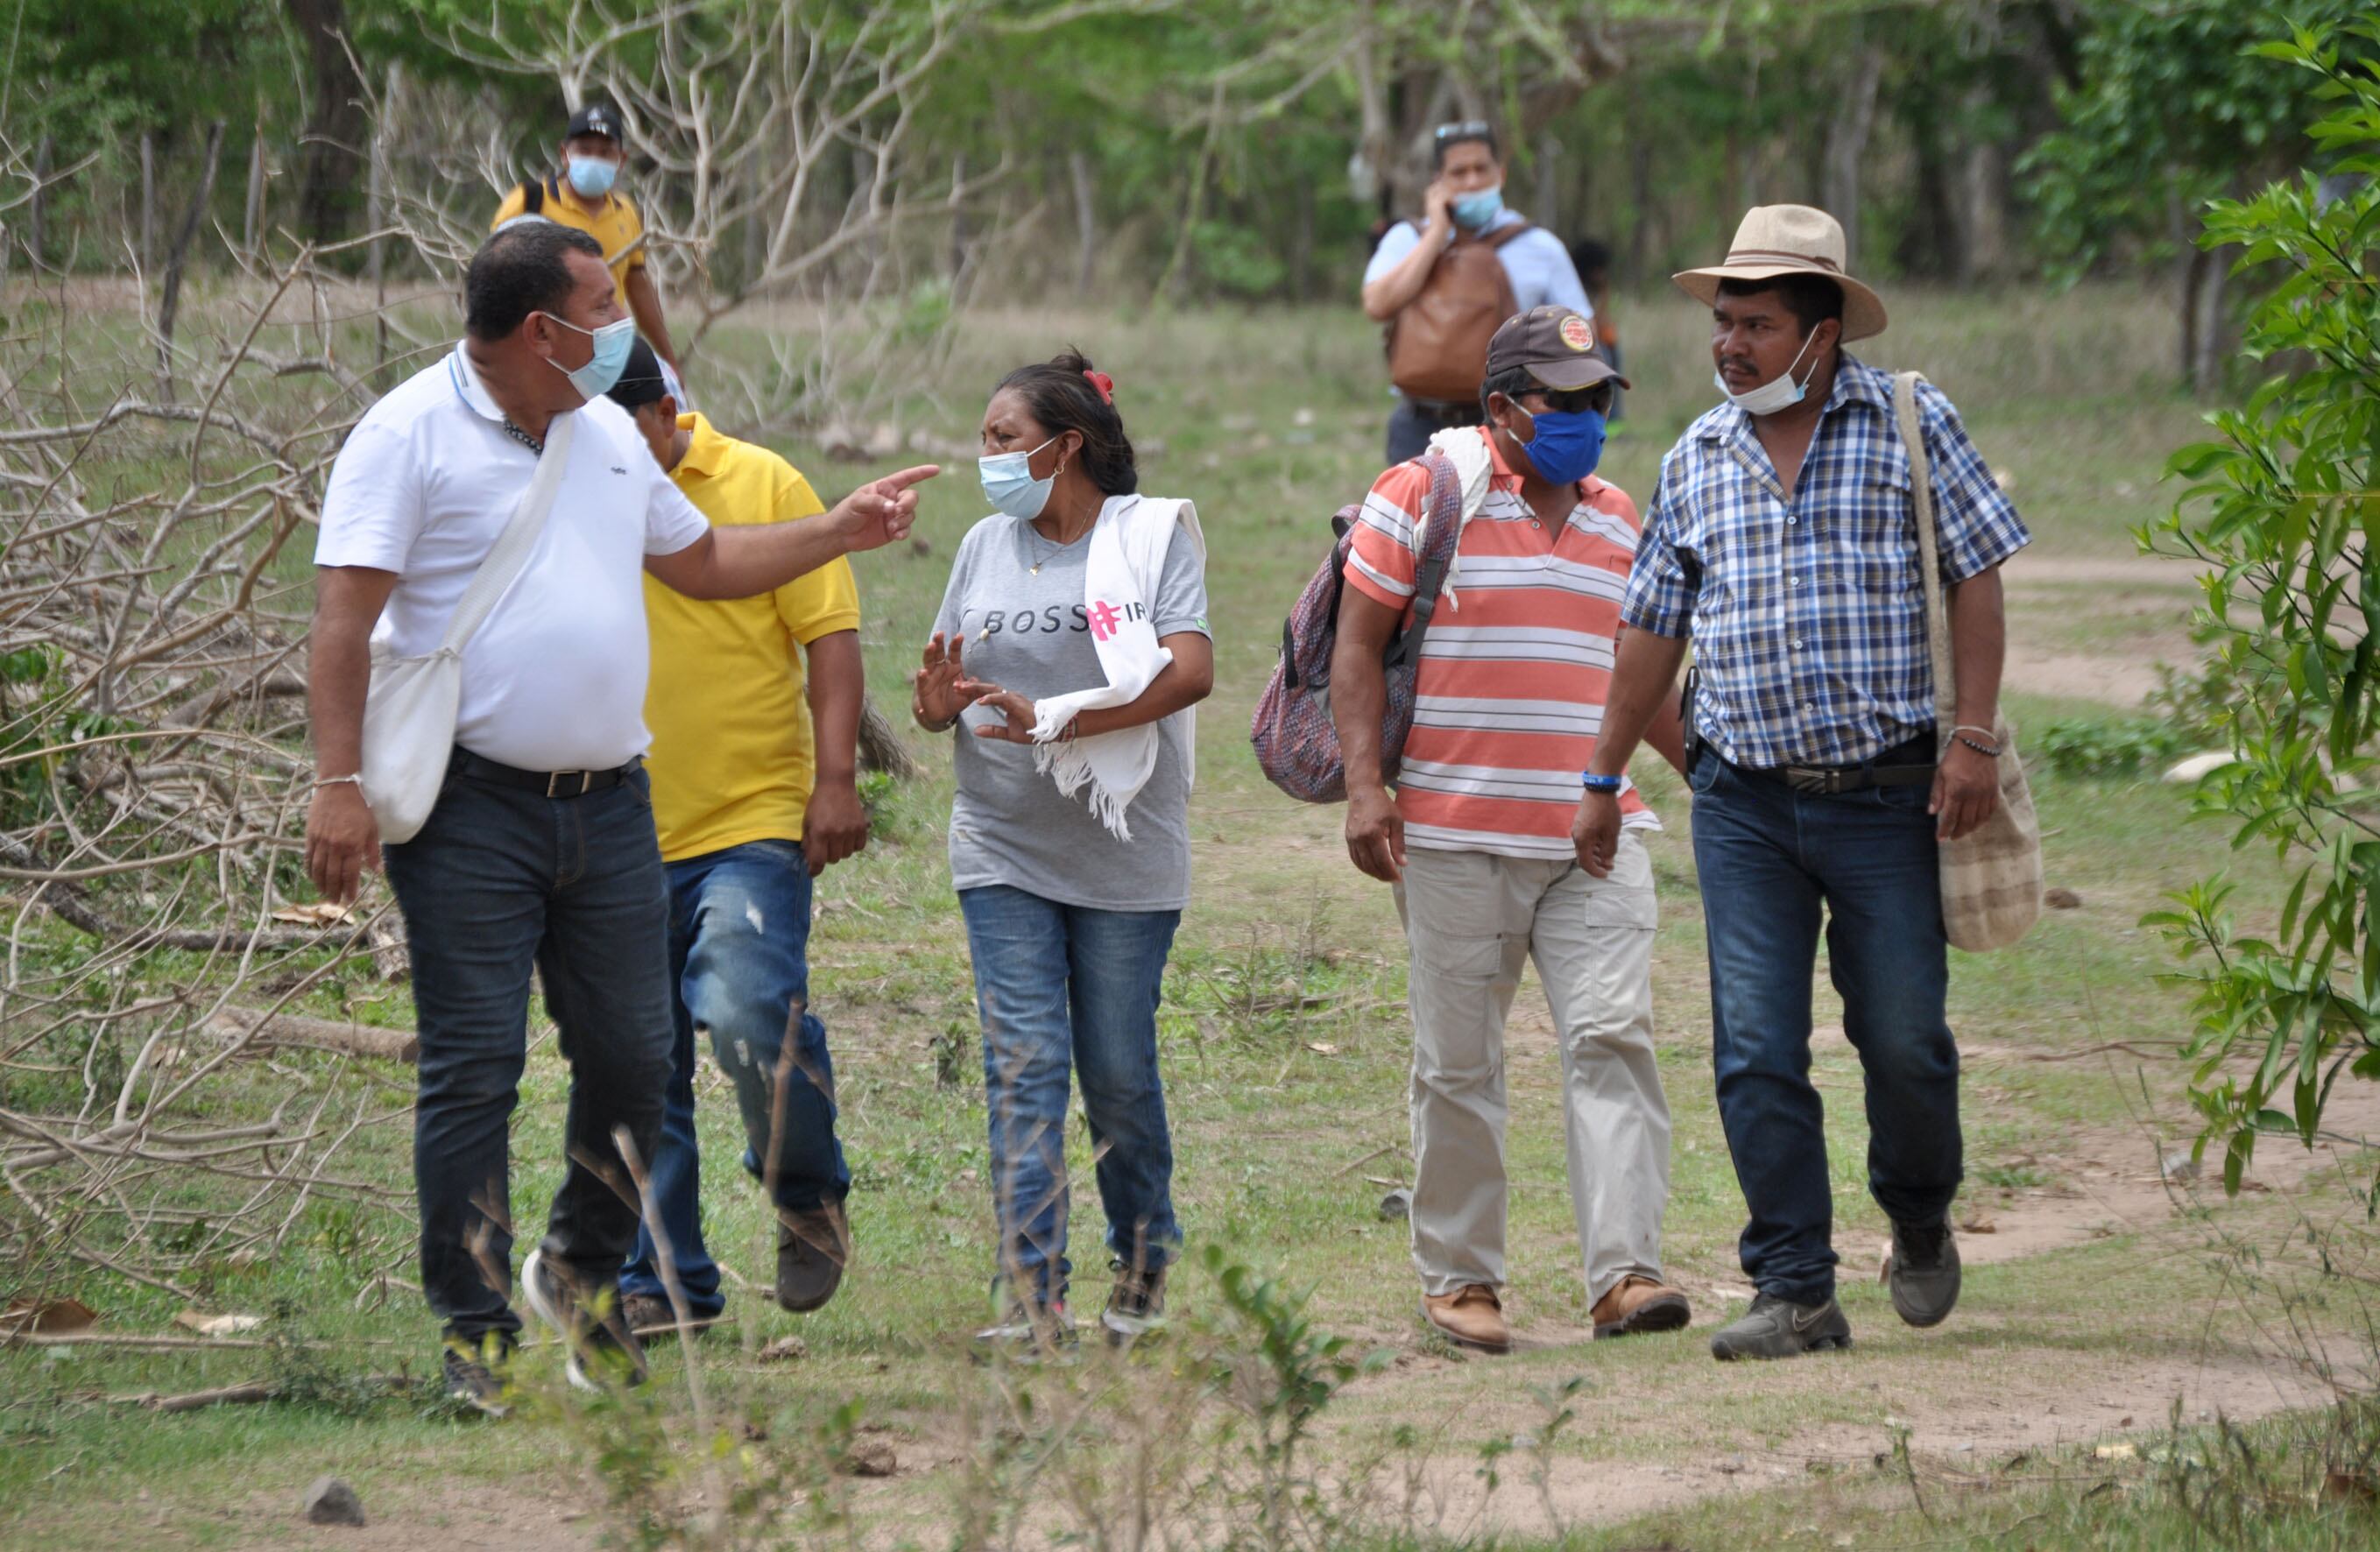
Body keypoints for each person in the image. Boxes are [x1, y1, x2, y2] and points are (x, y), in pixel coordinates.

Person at [305, 222, 934, 1412]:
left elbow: (700, 562)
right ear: (544, 329)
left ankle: (583, 1275)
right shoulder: (405, 436)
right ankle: (475, 1334)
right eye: (604, 303)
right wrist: (337, 786)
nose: (628, 326)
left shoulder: (603, 434)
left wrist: (836, 530)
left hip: (609, 806)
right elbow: (344, 619)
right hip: (469, 810)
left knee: (636, 1064)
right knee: (475, 1069)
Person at [1574, 205, 2030, 1362]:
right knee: (1755, 1046)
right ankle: (1793, 1287)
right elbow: (1648, 636)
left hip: (1889, 798)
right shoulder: (1693, 457)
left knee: (1904, 1039)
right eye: (1722, 323)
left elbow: (1976, 575)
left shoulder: (1912, 424)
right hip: (1744, 805)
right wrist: (1599, 773)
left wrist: (1970, 740)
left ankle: (1918, 1215)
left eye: (1757, 324)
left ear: (1822, 334)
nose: (1729, 345)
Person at [1333, 306, 1692, 1356]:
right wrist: (1366, 789)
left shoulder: (1621, 514)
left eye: (1597, 400)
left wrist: (1706, 773)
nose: (1585, 418)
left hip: (1595, 832)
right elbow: (1357, 649)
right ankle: (1461, 1278)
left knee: (1612, 1040)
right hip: (1450, 837)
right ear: (1500, 408)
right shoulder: (1420, 495)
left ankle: (1624, 1273)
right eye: (1563, 401)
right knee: (1457, 1064)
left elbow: (1639, 675)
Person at [911, 351, 1212, 1351]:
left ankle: (1141, 1260)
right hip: (1000, 842)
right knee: (1024, 1062)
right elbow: (946, 686)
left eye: (1002, 437)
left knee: (1116, 1069)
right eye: (985, 437)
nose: (985, 455)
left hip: (1124, 846)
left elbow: (1188, 671)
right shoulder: (981, 547)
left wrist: (1063, 724)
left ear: (1064, 443)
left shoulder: (1150, 535)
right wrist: (932, 706)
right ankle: (1032, 1297)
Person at [601, 340, 866, 1338]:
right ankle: (664, 1280)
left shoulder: (761, 480)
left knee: (749, 1007)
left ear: (672, 408)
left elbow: (829, 637)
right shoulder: (579, 486)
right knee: (637, 1062)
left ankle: (805, 1188)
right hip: (613, 828)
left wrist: (833, 780)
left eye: (636, 437)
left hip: (749, 820)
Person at [1361, 122, 1593, 464]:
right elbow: (1378, 305)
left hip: (1505, 421)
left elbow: (1580, 338)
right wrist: (1437, 233)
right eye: (1459, 172)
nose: (1472, 181)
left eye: (1481, 169)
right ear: (1437, 183)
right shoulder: (1406, 239)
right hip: (1417, 424)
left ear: (1500, 174)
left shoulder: (1539, 246)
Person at [491, 104, 682, 378]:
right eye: (584, 150)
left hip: (606, 361)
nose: (594, 158)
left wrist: (669, 358)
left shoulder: (626, 211)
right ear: (564, 154)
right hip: (543, 355)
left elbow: (637, 285)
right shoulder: (528, 202)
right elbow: (491, 275)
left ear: (622, 159)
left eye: (605, 153)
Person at [1568, 236, 1624, 420]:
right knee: (1605, 360)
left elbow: (1602, 320)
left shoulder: (1595, 288)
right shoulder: (1570, 287)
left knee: (1614, 354)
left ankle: (1614, 419)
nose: (1603, 275)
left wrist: (1604, 292)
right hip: (1576, 344)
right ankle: (1602, 416)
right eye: (1599, 269)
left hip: (1596, 338)